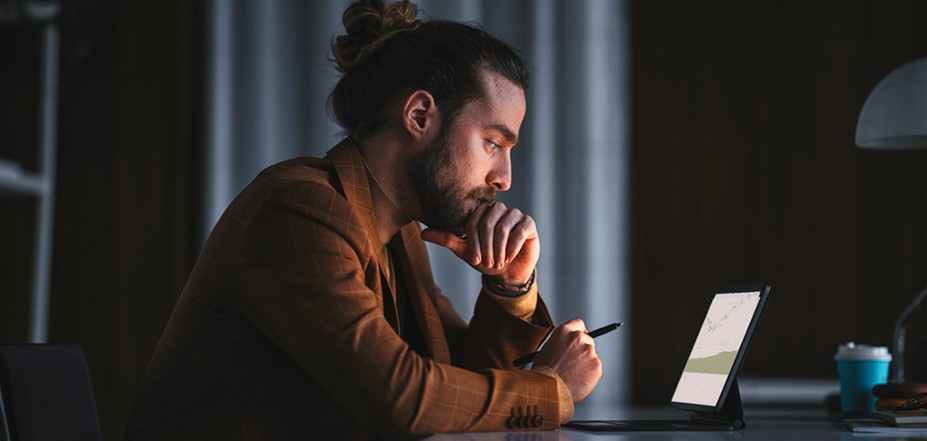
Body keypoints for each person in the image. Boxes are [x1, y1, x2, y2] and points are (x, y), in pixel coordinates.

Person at [125, 0, 602, 439]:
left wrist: (509, 289)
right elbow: (407, 399)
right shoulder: (295, 208)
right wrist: (550, 388)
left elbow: (457, 379)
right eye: (493, 144)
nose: (504, 179)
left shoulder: (398, 234)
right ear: (419, 116)